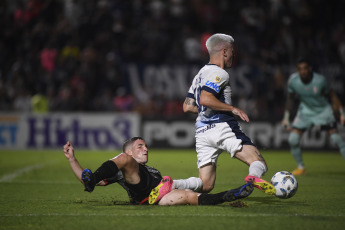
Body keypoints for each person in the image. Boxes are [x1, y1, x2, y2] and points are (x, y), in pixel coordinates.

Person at [183, 33, 275, 195]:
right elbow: (205, 98)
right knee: (258, 162)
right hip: (222, 127)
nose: (234, 54)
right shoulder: (220, 73)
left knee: (205, 185)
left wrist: (208, 108)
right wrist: (232, 108)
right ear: (224, 51)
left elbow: (188, 107)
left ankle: (171, 184)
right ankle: (253, 177)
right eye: (233, 50)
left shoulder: (200, 75)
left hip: (202, 132)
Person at [63, 137, 254, 205]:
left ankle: (231, 194)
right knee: (125, 162)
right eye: (140, 146)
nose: (145, 149)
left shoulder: (149, 168)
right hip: (140, 186)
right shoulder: (126, 161)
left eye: (146, 146)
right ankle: (159, 190)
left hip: (155, 198)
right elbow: (89, 181)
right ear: (129, 150)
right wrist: (73, 159)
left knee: (189, 197)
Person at [282, 57, 345, 175]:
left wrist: (342, 113)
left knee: (337, 140)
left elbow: (332, 95)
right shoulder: (293, 81)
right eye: (300, 69)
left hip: (323, 111)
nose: (303, 71)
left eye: (305, 68)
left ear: (310, 69)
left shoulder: (320, 80)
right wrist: (286, 118)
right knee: (293, 139)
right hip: (305, 111)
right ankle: (301, 167)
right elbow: (290, 99)